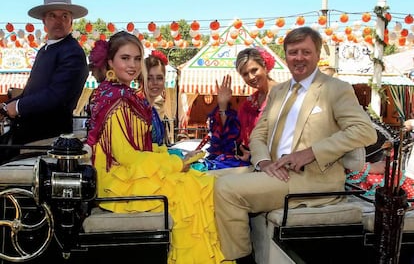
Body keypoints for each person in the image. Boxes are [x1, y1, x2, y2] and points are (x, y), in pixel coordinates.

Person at [213, 26, 377, 264]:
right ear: (285, 56)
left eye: (305, 52)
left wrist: (311, 153)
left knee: (227, 190)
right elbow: (258, 134)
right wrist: (263, 161)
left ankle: (241, 260)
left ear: (318, 55)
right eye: (293, 52)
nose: (299, 58)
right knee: (210, 179)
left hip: (311, 178)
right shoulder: (279, 91)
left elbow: (364, 131)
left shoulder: (335, 88)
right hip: (275, 172)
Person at [86, 31, 233, 264]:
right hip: (117, 181)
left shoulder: (120, 93)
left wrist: (173, 157)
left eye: (136, 58)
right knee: (194, 190)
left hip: (127, 173)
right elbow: (127, 156)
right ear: (110, 61)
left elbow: (141, 148)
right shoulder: (116, 97)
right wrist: (175, 163)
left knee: (198, 183)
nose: (133, 65)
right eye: (125, 58)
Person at [0, 0, 88, 163]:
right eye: (52, 16)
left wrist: (17, 106)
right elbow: (31, 92)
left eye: (64, 16)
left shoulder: (72, 52)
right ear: (44, 21)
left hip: (48, 138)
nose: (58, 21)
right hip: (26, 133)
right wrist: (6, 106)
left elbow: (56, 96)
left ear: (71, 21)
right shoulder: (44, 50)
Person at [205, 47, 277, 170]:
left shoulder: (283, 94)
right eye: (245, 74)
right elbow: (231, 136)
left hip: (277, 163)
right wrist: (222, 105)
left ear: (264, 66)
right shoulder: (249, 103)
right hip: (253, 162)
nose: (251, 77)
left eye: (254, 70)